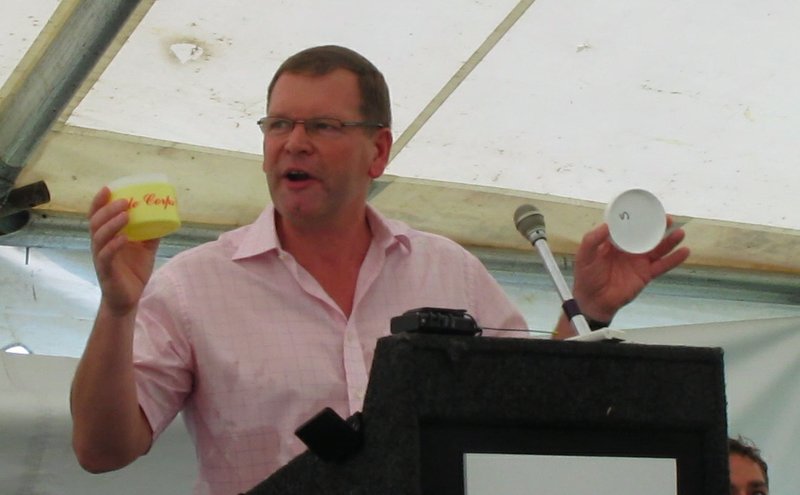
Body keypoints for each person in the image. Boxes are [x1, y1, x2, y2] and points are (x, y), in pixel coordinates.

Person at [70, 45, 690, 495]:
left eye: (323, 125)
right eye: (279, 123)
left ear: (379, 150)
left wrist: (589, 308)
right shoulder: (193, 284)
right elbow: (101, 451)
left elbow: (526, 410)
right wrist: (117, 309)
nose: (294, 142)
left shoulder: (447, 269)